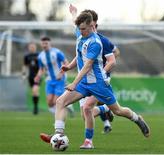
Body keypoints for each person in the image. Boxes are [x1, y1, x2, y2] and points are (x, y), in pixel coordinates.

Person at [40, 12, 150, 149]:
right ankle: (58, 135)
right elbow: (79, 56)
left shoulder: (96, 42)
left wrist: (74, 83)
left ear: (92, 26)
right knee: (61, 102)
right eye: (79, 29)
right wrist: (68, 67)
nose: (81, 31)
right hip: (84, 82)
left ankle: (136, 118)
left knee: (118, 111)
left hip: (98, 83)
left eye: (83, 29)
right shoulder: (81, 36)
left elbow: (87, 66)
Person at [69, 4, 120, 134]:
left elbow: (114, 55)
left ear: (94, 23)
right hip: (85, 78)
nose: (83, 27)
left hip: (98, 77)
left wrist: (103, 71)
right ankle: (106, 110)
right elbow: (80, 55)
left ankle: (89, 140)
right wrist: (73, 13)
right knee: (84, 114)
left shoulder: (102, 41)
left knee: (88, 108)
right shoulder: (83, 36)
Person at [34, 36, 74, 115]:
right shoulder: (40, 56)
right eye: (43, 44)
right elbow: (41, 69)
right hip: (49, 80)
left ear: (50, 43)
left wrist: (61, 73)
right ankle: (67, 107)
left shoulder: (57, 52)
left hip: (60, 79)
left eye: (46, 43)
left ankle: (58, 120)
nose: (44, 45)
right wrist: (38, 76)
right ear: (41, 44)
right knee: (49, 102)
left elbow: (66, 63)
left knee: (56, 101)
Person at [22, 42, 40, 115]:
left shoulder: (39, 55)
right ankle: (35, 106)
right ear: (29, 48)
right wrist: (23, 75)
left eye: (33, 46)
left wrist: (41, 74)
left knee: (35, 90)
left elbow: (43, 65)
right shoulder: (27, 56)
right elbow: (25, 66)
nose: (32, 48)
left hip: (37, 76)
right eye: (30, 47)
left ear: (35, 47)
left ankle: (35, 108)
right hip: (30, 76)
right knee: (34, 92)